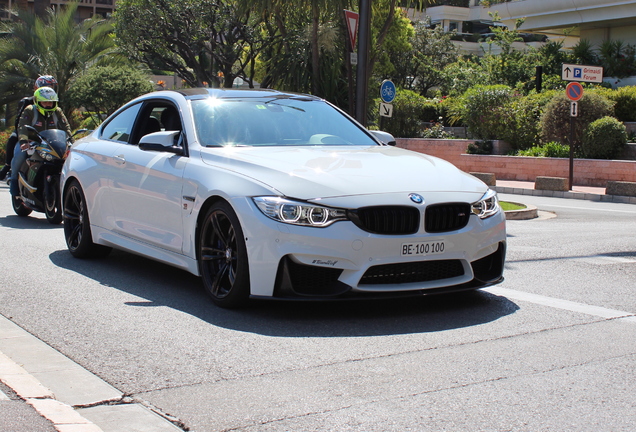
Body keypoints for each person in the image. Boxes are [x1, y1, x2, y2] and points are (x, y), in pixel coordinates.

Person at [9, 86, 72, 198]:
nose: (48, 105)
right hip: (32, 142)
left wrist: (71, 141)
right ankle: (13, 179)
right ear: (37, 101)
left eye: (51, 102)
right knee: (19, 154)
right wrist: (23, 141)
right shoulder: (30, 110)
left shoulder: (57, 112)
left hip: (51, 143)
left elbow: (66, 127)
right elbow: (22, 127)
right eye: (45, 102)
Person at [0, 75, 58, 180]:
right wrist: (25, 139)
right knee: (13, 139)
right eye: (49, 86)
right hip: (29, 135)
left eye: (52, 87)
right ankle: (9, 168)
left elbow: (63, 125)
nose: (50, 90)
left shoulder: (55, 103)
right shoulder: (27, 103)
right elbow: (20, 123)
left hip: (47, 137)